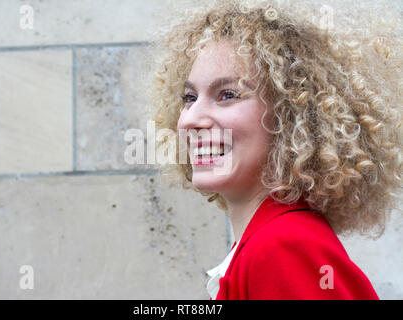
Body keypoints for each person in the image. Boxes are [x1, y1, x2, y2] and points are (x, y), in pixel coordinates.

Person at [147, 0, 402, 299]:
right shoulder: (266, 243)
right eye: (189, 97)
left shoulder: (283, 247)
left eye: (227, 94)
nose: (191, 119)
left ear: (292, 114)